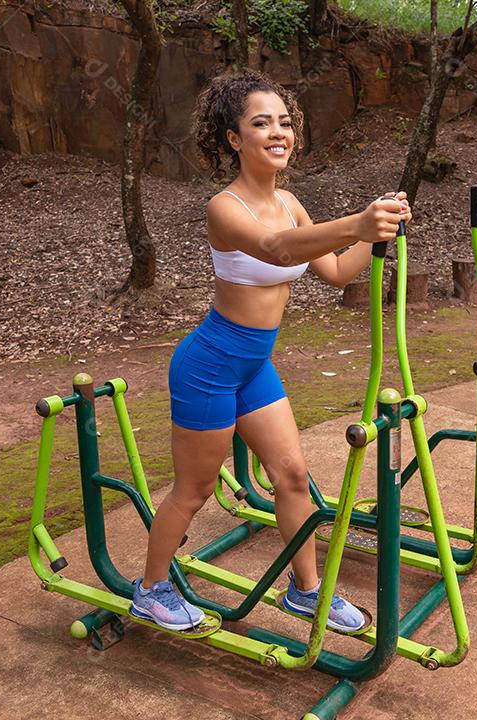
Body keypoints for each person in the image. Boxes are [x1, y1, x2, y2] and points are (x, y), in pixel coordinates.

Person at [131, 69, 410, 633]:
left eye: (285, 122)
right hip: (208, 365)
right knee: (196, 490)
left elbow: (332, 272)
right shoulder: (225, 207)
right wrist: (355, 221)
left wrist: (373, 236)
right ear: (234, 139)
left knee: (292, 474)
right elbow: (276, 249)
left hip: (254, 365)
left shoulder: (290, 202)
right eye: (262, 123)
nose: (278, 132)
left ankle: (306, 591)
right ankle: (151, 588)